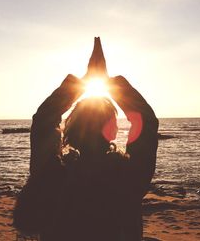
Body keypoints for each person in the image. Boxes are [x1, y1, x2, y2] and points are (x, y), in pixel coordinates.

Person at [13, 56, 158, 241]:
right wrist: (113, 84)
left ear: (71, 131)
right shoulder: (128, 176)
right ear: (112, 131)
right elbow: (146, 120)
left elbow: (43, 119)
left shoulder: (52, 175)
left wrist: (78, 84)